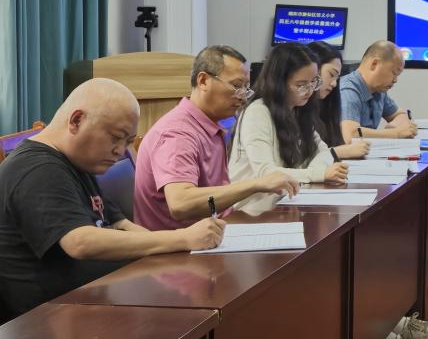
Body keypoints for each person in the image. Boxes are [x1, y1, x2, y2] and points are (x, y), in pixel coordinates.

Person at [0, 79, 225, 317]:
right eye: (116, 137)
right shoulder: (38, 169)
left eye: (127, 142)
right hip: (51, 321)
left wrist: (174, 250)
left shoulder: (77, 162)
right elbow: (80, 242)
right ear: (76, 121)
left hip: (94, 302)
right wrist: (182, 238)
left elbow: (120, 224)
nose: (120, 151)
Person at [134, 45, 299, 230]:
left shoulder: (210, 124)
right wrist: (255, 184)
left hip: (213, 231)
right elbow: (180, 204)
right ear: (203, 81)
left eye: (246, 88)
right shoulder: (177, 133)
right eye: (236, 86)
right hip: (179, 243)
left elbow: (212, 205)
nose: (243, 97)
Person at [228, 43, 350, 212]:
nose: (309, 91)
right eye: (301, 85)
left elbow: (323, 151)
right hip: (252, 211)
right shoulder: (258, 112)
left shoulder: (298, 109)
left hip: (286, 204)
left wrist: (318, 170)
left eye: (313, 82)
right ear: (279, 83)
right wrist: (319, 174)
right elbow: (267, 173)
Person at [338, 41, 417, 141]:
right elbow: (350, 134)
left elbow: (399, 114)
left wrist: (395, 125)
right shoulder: (348, 90)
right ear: (374, 64)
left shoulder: (378, 90)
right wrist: (396, 133)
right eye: (394, 73)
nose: (395, 80)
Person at [306, 41, 370, 161]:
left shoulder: (326, 105)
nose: (334, 83)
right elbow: (304, 157)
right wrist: (342, 151)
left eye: (337, 78)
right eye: (331, 74)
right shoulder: (297, 108)